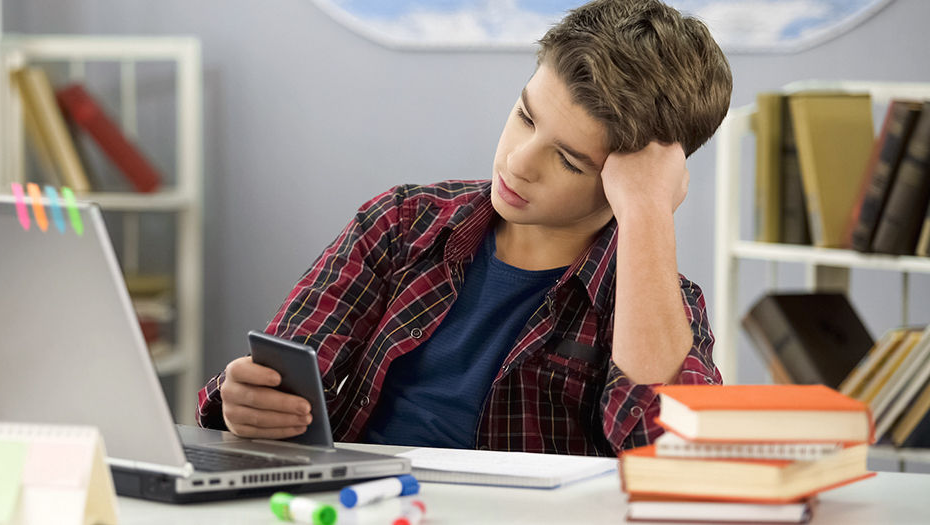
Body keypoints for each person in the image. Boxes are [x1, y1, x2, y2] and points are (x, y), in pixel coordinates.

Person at [196, 0, 731, 456]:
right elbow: (279, 378)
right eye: (525, 116)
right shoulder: (402, 223)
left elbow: (671, 453)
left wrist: (648, 213)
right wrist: (242, 401)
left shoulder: (662, 306)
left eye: (569, 161)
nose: (519, 163)